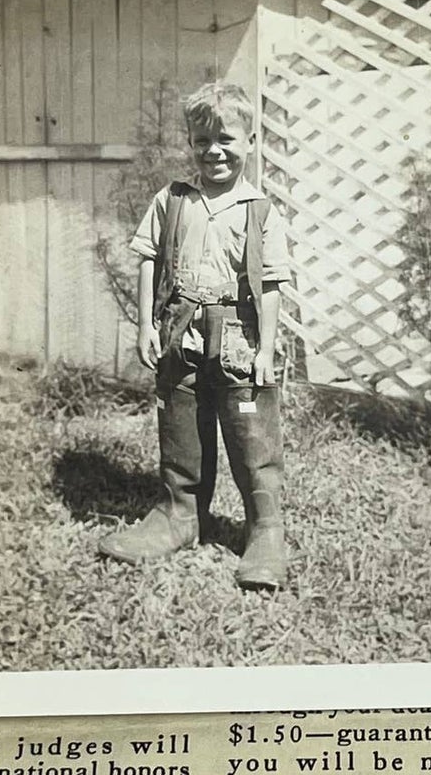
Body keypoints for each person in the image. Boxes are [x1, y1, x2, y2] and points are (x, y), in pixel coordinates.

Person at [97, 82, 291, 587]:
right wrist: (145, 324)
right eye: (202, 140)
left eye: (226, 139)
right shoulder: (173, 200)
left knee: (252, 436)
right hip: (180, 333)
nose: (215, 151)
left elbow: (270, 287)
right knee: (181, 426)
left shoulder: (261, 211)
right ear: (190, 143)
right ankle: (179, 516)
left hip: (239, 340)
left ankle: (265, 530)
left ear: (250, 141)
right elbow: (146, 260)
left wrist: (267, 350)